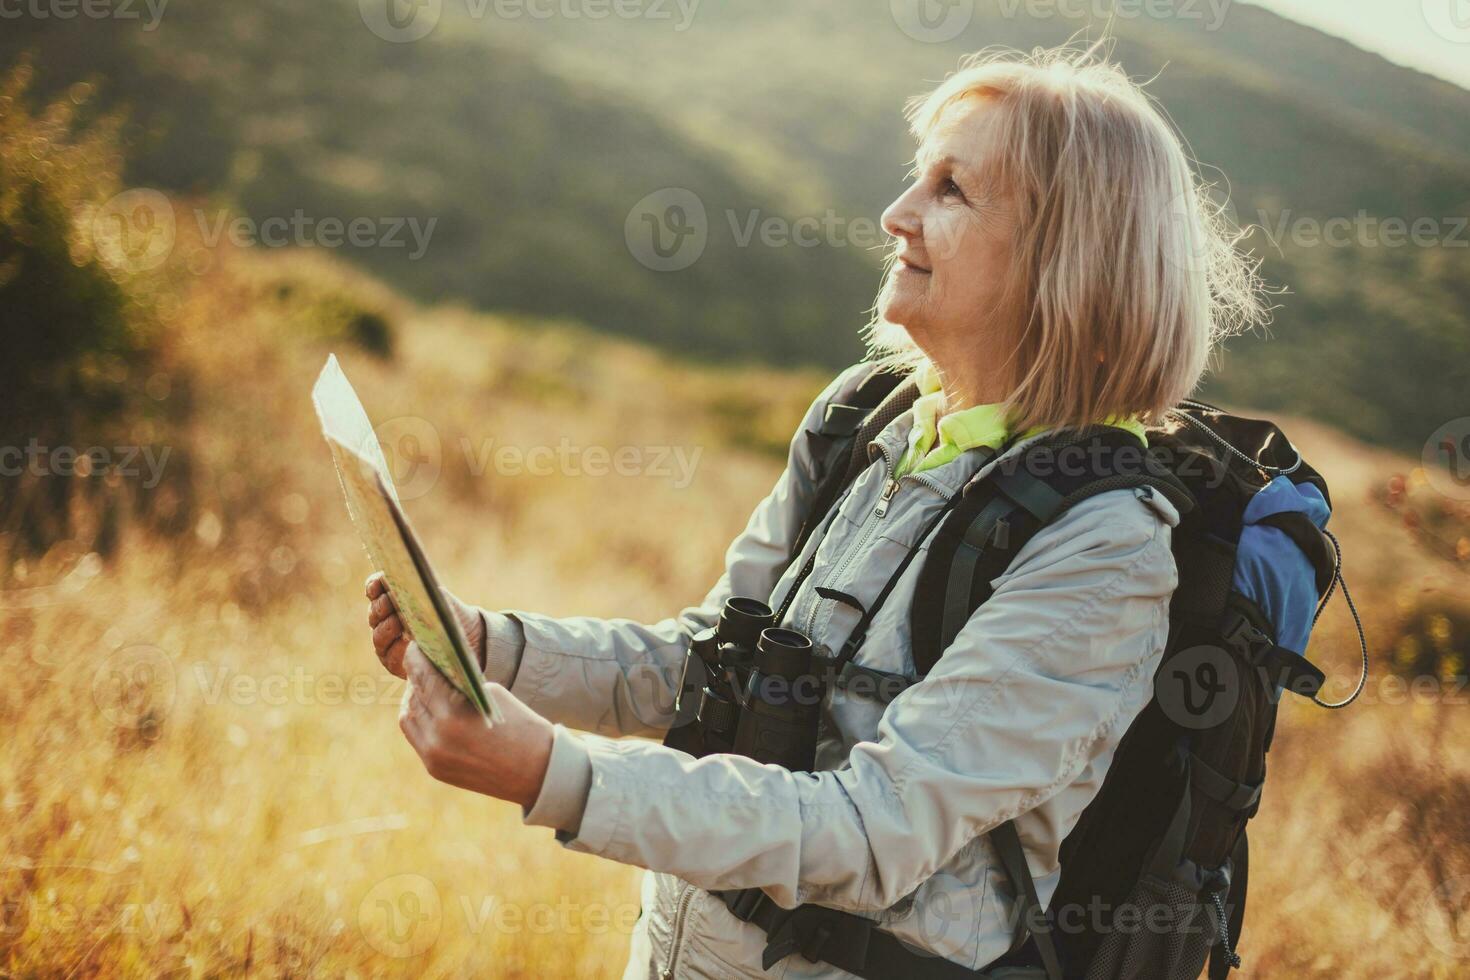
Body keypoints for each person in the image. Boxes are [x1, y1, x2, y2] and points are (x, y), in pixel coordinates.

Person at [365, 42, 1265, 979]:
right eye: (919, 177)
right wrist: (490, 645)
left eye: (952, 190)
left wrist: (550, 774)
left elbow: (874, 828)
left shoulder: (1104, 547)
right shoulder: (866, 419)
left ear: (1065, 255)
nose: (896, 214)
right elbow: (702, 660)